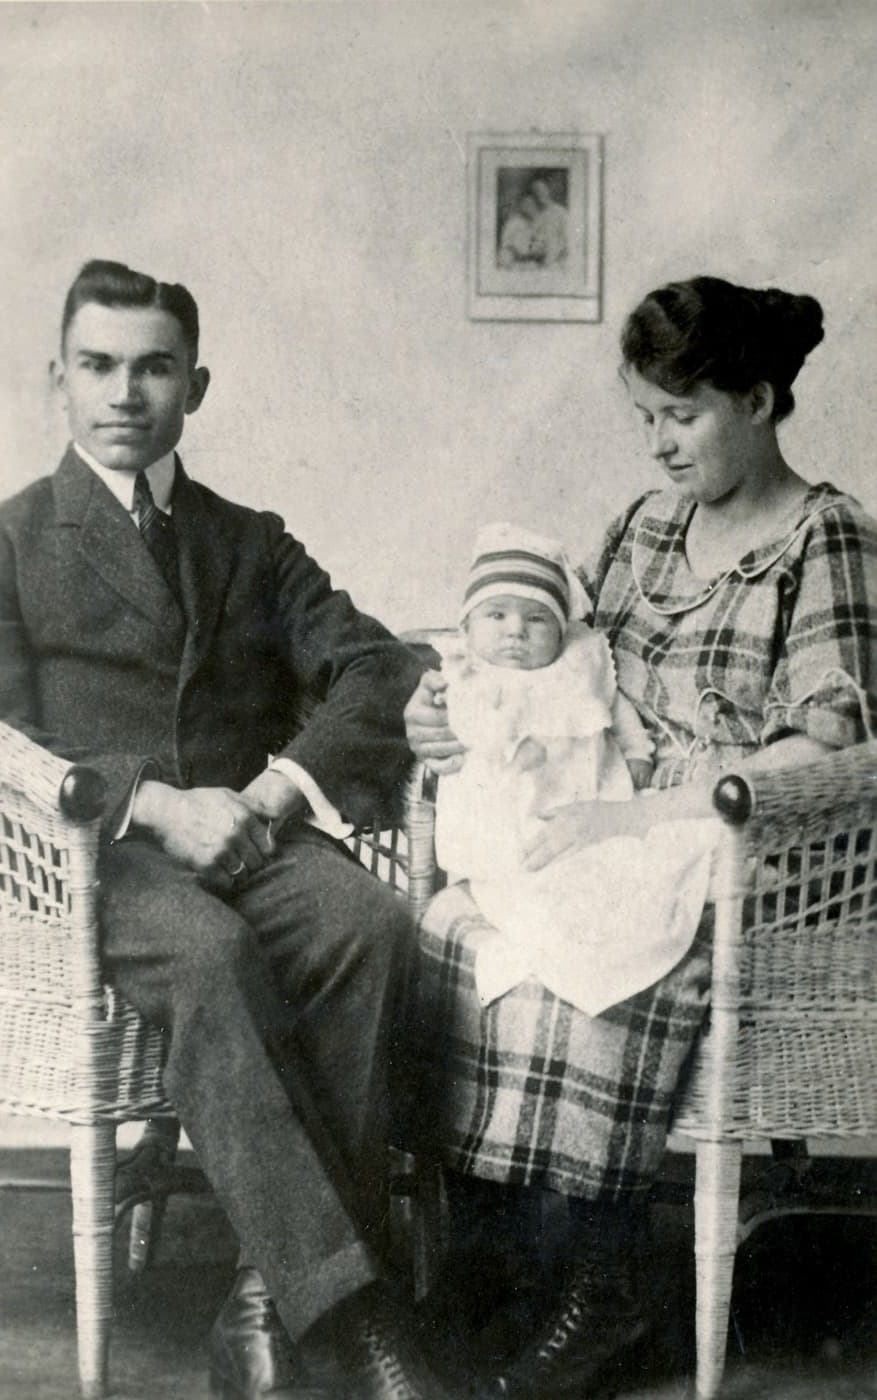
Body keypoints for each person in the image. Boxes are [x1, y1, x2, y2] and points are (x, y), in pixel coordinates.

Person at [0, 260, 451, 1400]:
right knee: (211, 954)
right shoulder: (0, 541)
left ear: (197, 385)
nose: (126, 392)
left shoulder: (247, 539)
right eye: (100, 366)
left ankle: (262, 1299)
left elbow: (381, 666)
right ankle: (349, 1311)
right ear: (57, 382)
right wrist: (152, 804)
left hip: (246, 836)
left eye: (154, 367)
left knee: (368, 923)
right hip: (85, 860)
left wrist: (270, 796)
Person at [402, 275, 877, 1399]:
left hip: (749, 850)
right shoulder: (643, 529)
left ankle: (602, 1278)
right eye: (644, 418)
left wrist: (634, 816)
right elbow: (565, 671)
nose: (658, 446)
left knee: (594, 947)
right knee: (465, 925)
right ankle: (505, 1261)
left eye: (683, 416)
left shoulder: (827, 535)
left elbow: (833, 750)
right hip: (609, 813)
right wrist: (456, 706)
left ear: (759, 402)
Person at [433, 520, 718, 1019]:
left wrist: (638, 755)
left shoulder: (578, 665)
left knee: (608, 877)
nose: (516, 631)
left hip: (592, 804)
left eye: (537, 619)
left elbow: (617, 711)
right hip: (508, 811)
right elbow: (471, 728)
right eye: (496, 615)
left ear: (561, 628)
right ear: (468, 626)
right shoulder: (471, 674)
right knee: (526, 876)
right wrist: (510, 747)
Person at [528, 178, 568, 268]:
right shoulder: (535, 215)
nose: (539, 194)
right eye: (535, 191)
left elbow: (567, 240)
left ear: (548, 191)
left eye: (541, 190)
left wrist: (555, 255)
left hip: (558, 262)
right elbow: (533, 241)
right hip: (539, 262)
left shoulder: (561, 212)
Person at [497, 193, 541, 269]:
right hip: (513, 259)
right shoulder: (513, 222)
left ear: (535, 205)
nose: (528, 207)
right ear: (521, 206)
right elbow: (506, 243)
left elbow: (539, 244)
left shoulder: (538, 222)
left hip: (531, 260)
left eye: (530, 204)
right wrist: (516, 253)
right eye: (525, 204)